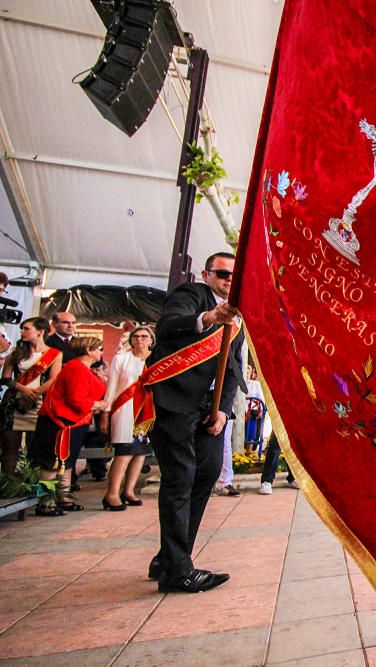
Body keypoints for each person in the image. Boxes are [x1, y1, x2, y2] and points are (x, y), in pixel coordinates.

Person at [143, 252, 245, 593]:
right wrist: (208, 317)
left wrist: (224, 410)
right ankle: (178, 571)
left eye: (234, 274)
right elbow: (169, 327)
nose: (229, 279)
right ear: (207, 273)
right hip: (173, 402)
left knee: (207, 471)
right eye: (222, 273)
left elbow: (232, 367)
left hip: (208, 409)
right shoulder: (190, 295)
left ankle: (169, 557)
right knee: (179, 479)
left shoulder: (238, 319)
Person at [29, 336, 107, 515]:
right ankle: (46, 502)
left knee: (67, 461)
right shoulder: (76, 367)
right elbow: (75, 399)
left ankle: (63, 497)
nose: (101, 352)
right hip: (59, 421)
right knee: (50, 462)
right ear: (89, 350)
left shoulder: (85, 369)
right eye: (99, 348)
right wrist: (97, 404)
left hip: (74, 422)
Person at [100, 327, 155, 511]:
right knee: (124, 451)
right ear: (131, 340)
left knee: (140, 452)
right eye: (136, 336)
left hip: (148, 411)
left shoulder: (156, 359)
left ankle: (129, 490)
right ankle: (112, 493)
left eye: (144, 336)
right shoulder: (121, 359)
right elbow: (111, 387)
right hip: (124, 409)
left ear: (151, 340)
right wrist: (105, 413)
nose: (140, 339)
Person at [0, 318, 62, 474]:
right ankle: (8, 482)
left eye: (26, 329)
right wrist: (23, 390)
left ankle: (32, 481)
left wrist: (35, 393)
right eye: (21, 328)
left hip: (39, 403)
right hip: (14, 402)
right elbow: (6, 378)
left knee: (36, 447)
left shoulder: (54, 354)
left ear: (40, 332)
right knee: (10, 446)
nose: (21, 331)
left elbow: (54, 379)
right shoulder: (16, 352)